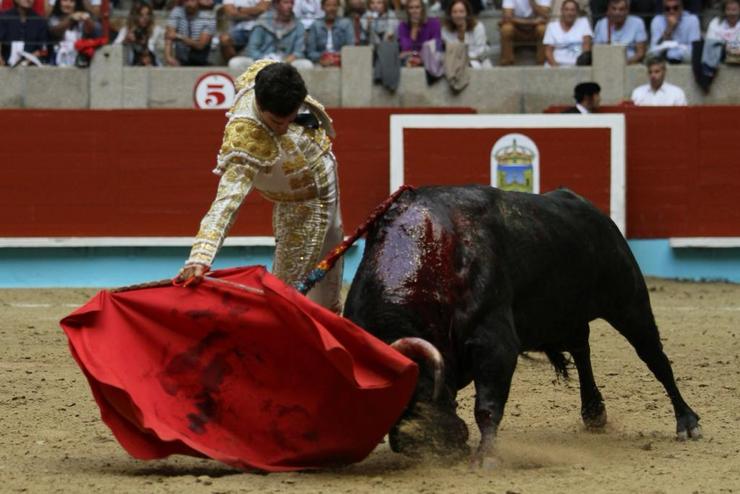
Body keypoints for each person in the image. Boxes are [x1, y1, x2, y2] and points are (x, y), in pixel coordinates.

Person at [176, 60, 344, 313]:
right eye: (277, 123)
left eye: (291, 118)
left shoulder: (270, 75)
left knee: (330, 278)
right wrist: (200, 256)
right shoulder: (247, 136)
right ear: (260, 105)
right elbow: (226, 201)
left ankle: (330, 326)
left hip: (326, 177)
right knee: (286, 292)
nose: (285, 127)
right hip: (300, 204)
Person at [239, 0, 313, 69]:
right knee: (236, 62)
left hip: (287, 63)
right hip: (262, 61)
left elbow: (298, 52)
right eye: (286, 2)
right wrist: (267, 61)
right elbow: (252, 49)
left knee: (306, 64)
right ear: (276, 4)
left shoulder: (298, 25)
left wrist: (285, 61)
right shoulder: (263, 21)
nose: (290, 6)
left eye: (292, 3)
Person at [164, 0, 217, 66]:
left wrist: (180, 37)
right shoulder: (177, 12)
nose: (189, 4)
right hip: (181, 57)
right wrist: (168, 57)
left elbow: (200, 45)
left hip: (201, 59)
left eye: (192, 0)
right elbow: (169, 36)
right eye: (186, 1)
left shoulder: (209, 17)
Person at [48, 0, 100, 66]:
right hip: (58, 59)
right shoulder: (54, 18)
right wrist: (71, 18)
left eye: (71, 1)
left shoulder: (82, 16)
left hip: (80, 59)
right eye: (64, 1)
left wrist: (87, 20)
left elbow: (95, 31)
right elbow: (55, 32)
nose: (68, 4)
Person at [499, 0, 551, 65]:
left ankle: (541, 64)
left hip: (535, 28)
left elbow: (545, 16)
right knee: (506, 29)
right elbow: (507, 17)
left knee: (542, 29)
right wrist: (532, 22)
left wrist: (532, 2)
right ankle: (506, 64)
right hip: (517, 27)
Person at [441, 0, 491, 68]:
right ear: (450, 14)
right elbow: (451, 52)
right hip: (455, 63)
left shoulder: (478, 27)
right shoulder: (445, 30)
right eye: (454, 12)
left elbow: (480, 50)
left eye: (461, 12)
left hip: (478, 61)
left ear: (467, 13)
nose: (458, 15)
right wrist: (461, 37)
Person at [218, 0, 271, 65]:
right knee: (224, 39)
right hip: (238, 31)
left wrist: (239, 9)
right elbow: (230, 13)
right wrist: (254, 14)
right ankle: (234, 67)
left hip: (261, 29)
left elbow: (262, 9)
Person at [543, 0, 592, 66]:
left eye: (572, 10)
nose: (569, 13)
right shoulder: (552, 26)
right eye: (566, 9)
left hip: (577, 66)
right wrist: (556, 68)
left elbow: (586, 48)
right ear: (562, 11)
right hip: (555, 66)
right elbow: (548, 52)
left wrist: (579, 67)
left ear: (577, 12)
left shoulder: (583, 23)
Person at [0, 0, 49, 66]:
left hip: (31, 67)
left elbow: (43, 50)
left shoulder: (40, 21)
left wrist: (28, 60)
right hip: (5, 66)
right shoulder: (4, 18)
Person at [306, 0, 354, 66]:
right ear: (322, 7)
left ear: (338, 7)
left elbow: (351, 48)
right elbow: (311, 52)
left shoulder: (346, 24)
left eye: (334, 5)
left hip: (342, 60)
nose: (332, 8)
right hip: (320, 61)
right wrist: (322, 58)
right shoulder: (316, 25)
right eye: (328, 5)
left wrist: (335, 57)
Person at [397, 0, 442, 67]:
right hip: (410, 60)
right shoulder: (403, 26)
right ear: (407, 10)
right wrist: (414, 28)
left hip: (430, 60)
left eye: (417, 7)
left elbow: (436, 47)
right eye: (411, 8)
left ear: (422, 9)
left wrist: (420, 56)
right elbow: (406, 48)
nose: (414, 11)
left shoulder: (434, 23)